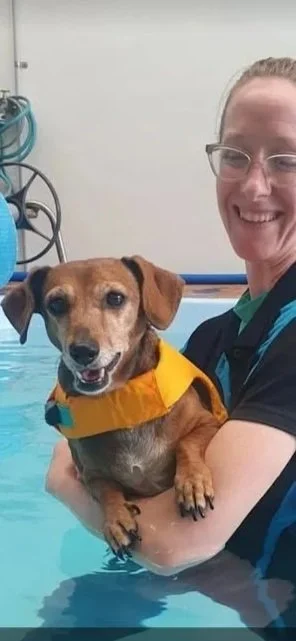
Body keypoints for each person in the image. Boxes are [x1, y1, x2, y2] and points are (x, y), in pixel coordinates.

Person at [46, 57, 296, 633]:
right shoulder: (208, 341)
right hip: (222, 598)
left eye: (285, 159)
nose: (253, 183)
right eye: (235, 154)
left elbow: (169, 546)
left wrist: (63, 480)